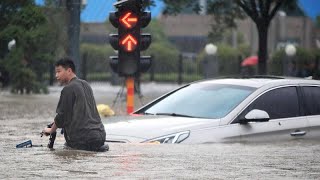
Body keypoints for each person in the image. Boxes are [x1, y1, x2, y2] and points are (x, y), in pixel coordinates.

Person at [42, 57, 108, 152]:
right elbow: (81, 113)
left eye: (59, 71)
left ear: (69, 70)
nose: (56, 75)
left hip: (82, 140)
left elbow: (62, 117)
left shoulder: (68, 89)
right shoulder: (86, 84)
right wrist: (54, 124)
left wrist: (50, 130)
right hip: (100, 136)